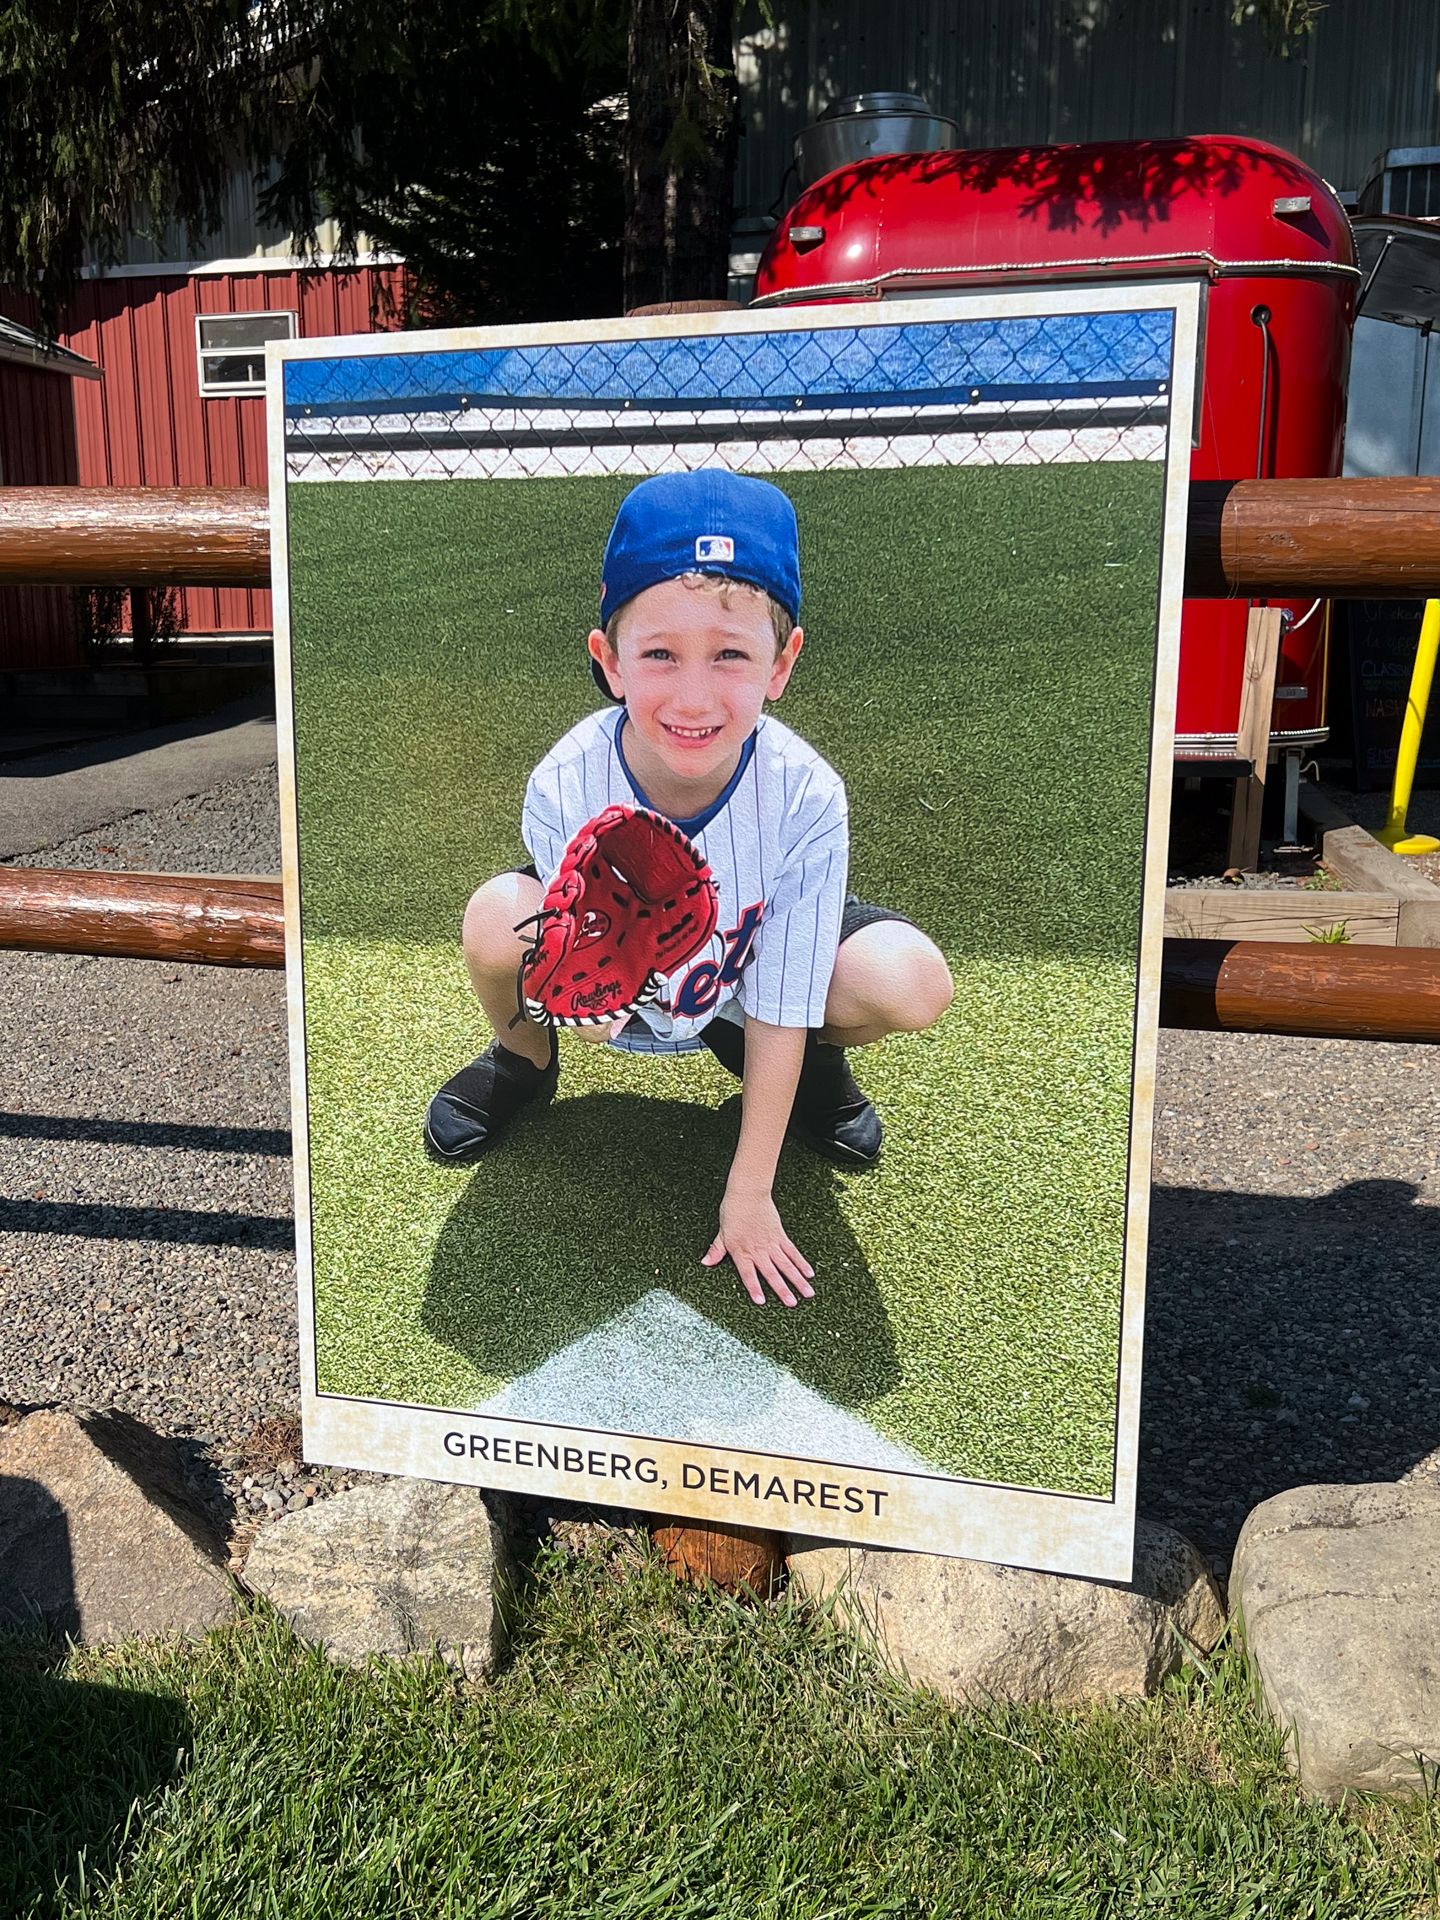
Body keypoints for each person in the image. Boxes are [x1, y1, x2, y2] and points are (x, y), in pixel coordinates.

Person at [424, 469, 952, 1307]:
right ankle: (522, 1061)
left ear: (783, 664)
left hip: (742, 974)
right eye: (660, 653)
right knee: (495, 918)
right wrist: (581, 1014)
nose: (695, 695)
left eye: (732, 654)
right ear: (609, 660)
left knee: (908, 978)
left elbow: (782, 994)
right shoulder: (568, 780)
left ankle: (809, 1077)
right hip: (632, 989)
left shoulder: (806, 792)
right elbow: (597, 991)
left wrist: (748, 1194)